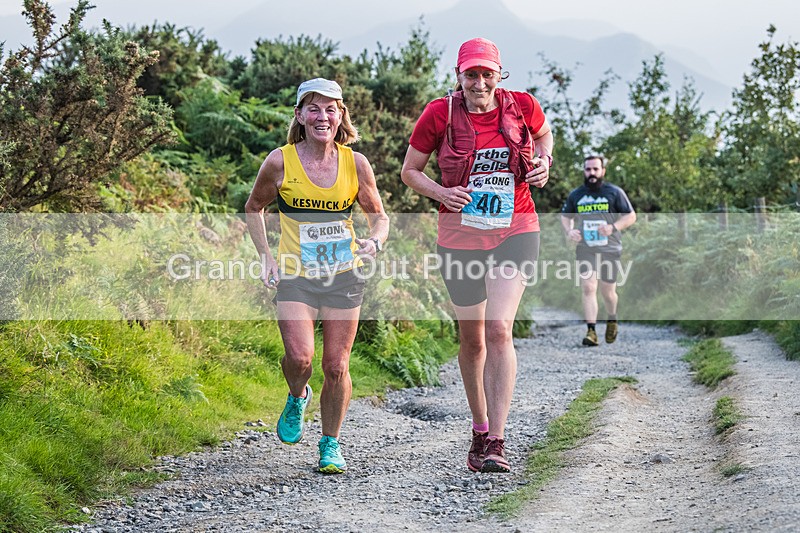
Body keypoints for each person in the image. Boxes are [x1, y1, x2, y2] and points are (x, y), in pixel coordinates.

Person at [401, 38, 553, 473]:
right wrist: (442, 192)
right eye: (472, 74)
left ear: (499, 75)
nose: (480, 82)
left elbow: (544, 136)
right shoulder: (439, 114)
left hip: (516, 228)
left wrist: (544, 161)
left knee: (498, 328)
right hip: (460, 237)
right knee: (472, 340)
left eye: (488, 74)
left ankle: (497, 441)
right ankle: (480, 427)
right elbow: (410, 171)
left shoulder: (523, 105)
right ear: (459, 75)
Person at [245, 78, 389, 474]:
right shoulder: (280, 161)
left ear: (341, 115)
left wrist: (375, 241)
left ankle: (330, 444)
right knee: (299, 358)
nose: (322, 116)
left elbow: (379, 218)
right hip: (296, 275)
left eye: (330, 109)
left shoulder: (355, 164)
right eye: (313, 108)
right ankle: (297, 395)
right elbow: (254, 207)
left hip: (344, 275)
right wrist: (266, 257)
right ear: (299, 115)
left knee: (337, 366)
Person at [560, 155, 636, 347]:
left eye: (595, 169)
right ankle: (591, 331)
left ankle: (612, 318)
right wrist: (570, 231)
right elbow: (566, 216)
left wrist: (613, 227)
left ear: (603, 171)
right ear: (584, 171)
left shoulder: (614, 192)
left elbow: (630, 216)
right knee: (588, 287)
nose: (592, 173)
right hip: (586, 248)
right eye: (588, 169)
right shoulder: (576, 194)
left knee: (608, 292)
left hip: (610, 247)